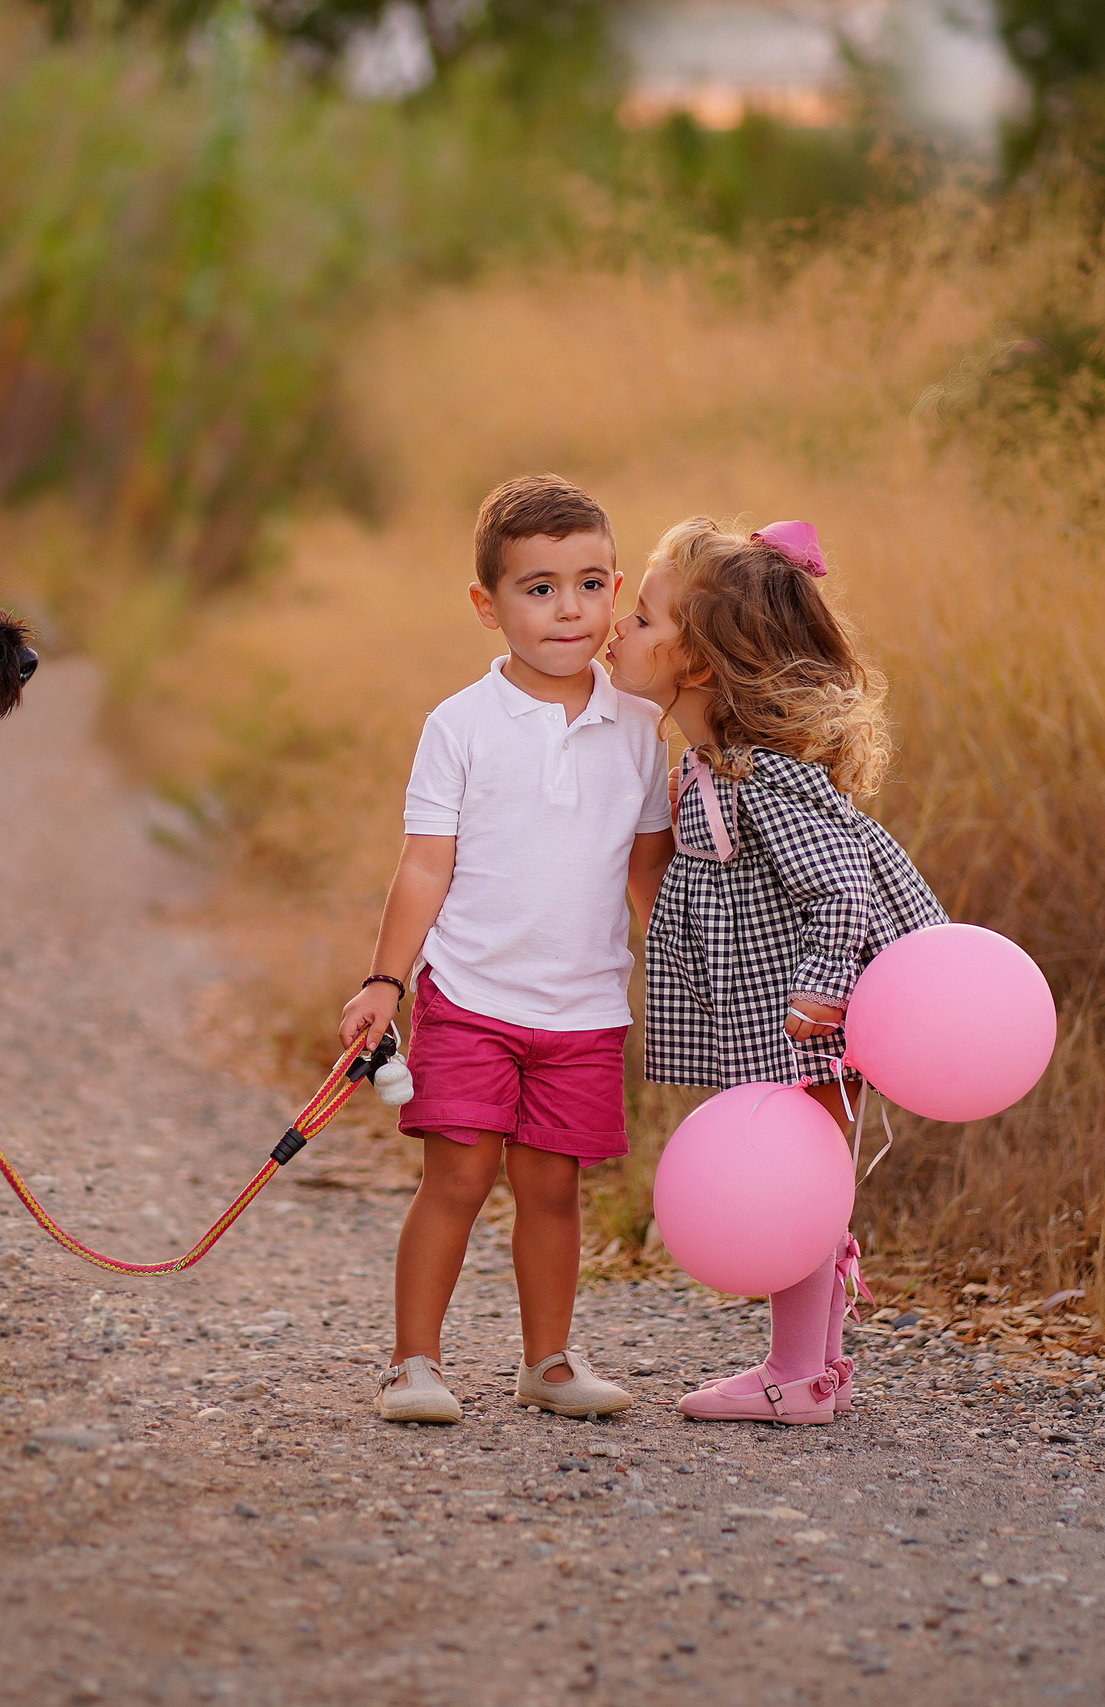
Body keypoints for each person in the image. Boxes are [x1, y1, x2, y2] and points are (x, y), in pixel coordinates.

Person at [338, 474, 674, 1425]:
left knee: (552, 1188)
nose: (570, 608)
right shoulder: (461, 725)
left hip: (583, 1008)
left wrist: (689, 971)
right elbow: (422, 869)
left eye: (593, 583)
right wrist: (383, 981)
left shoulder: (642, 730)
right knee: (458, 1175)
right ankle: (413, 1362)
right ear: (489, 606)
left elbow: (649, 877)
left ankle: (549, 1362)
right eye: (540, 587)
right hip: (472, 993)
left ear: (615, 591)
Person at [605, 515, 945, 1424]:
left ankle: (796, 1375)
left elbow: (841, 889)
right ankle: (815, 1369)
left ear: (701, 666)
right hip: (784, 1013)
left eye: (641, 619)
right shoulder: (715, 767)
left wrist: (821, 990)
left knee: (797, 1188)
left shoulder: (760, 780)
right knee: (812, 1188)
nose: (617, 630)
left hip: (805, 1018)